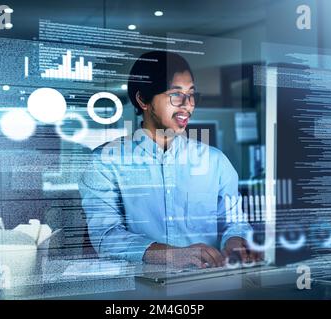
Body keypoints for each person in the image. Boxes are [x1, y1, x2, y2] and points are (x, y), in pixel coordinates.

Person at [80, 51, 261, 269]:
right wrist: (169, 255)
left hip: (210, 286)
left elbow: (235, 223)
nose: (188, 105)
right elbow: (106, 237)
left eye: (192, 95)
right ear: (143, 99)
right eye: (176, 95)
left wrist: (236, 241)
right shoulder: (106, 162)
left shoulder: (216, 162)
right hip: (141, 293)